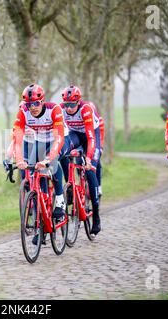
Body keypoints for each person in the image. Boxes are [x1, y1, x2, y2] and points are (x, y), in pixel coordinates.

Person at [13, 84, 66, 230]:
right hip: (40, 140)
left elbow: (59, 139)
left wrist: (48, 159)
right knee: (32, 170)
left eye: (36, 103)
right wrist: (19, 160)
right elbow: (17, 140)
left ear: (42, 101)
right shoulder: (23, 112)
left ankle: (60, 200)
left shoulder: (54, 109)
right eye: (30, 104)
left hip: (59, 139)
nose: (33, 107)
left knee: (53, 163)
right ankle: (41, 214)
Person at [58, 85, 102, 236]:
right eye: (66, 105)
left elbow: (90, 137)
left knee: (90, 171)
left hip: (90, 136)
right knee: (63, 152)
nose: (69, 108)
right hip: (75, 134)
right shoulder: (61, 109)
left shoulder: (85, 109)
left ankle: (96, 214)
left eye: (72, 105)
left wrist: (89, 158)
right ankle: (69, 185)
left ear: (78, 102)